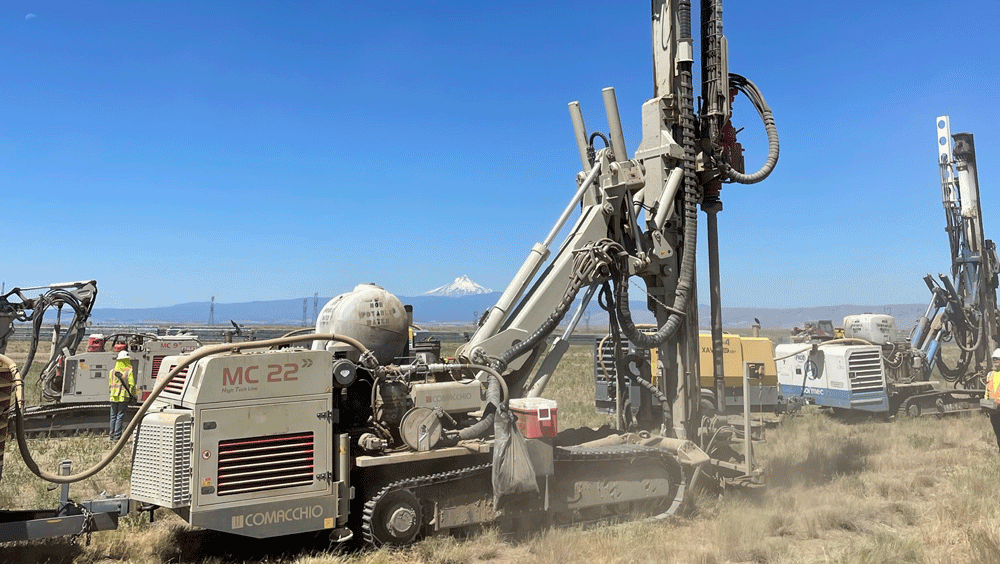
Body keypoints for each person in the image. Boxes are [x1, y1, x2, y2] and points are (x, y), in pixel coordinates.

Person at [108, 350, 136, 442]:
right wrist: (133, 395)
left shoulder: (112, 371)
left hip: (113, 397)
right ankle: (117, 437)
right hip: (123, 397)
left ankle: (111, 436)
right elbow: (132, 385)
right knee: (119, 417)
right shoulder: (128, 371)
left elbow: (109, 385)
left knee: (113, 417)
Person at [985, 349, 1000, 453]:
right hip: (993, 409)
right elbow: (987, 390)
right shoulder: (990, 374)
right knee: (997, 431)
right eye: (994, 359)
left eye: (997, 359)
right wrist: (985, 404)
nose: (995, 361)